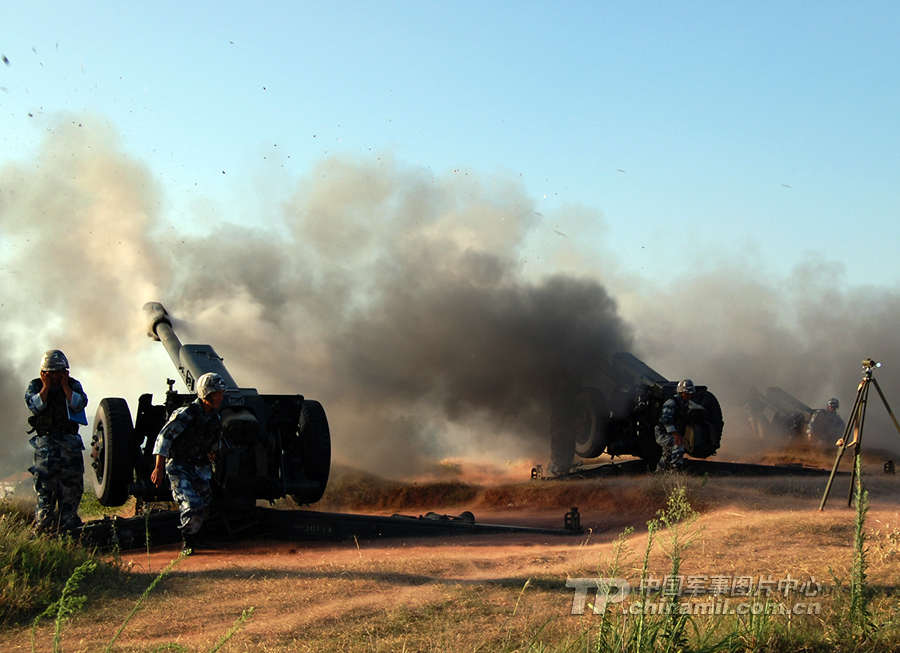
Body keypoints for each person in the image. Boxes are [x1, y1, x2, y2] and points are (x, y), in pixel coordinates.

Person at [150, 372, 227, 553]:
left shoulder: (214, 418)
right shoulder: (186, 414)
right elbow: (164, 438)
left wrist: (213, 454)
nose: (221, 397)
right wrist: (158, 468)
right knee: (191, 504)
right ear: (207, 393)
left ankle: (198, 539)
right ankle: (188, 542)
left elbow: (214, 442)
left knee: (205, 502)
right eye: (217, 393)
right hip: (180, 466)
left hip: (200, 467)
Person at [24, 349, 88, 534]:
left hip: (70, 445)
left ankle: (69, 531)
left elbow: (78, 404)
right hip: (46, 447)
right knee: (45, 492)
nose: (55, 376)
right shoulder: (35, 386)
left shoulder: (73, 385)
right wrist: (45, 386)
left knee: (71, 490)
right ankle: (45, 532)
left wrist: (65, 386)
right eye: (51, 373)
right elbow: (35, 405)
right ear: (43, 373)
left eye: (59, 372)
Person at [655, 379, 694, 471]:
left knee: (667, 454)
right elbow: (666, 420)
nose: (689, 395)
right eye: (687, 393)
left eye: (690, 393)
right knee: (678, 445)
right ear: (681, 392)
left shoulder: (686, 404)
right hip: (662, 433)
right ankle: (675, 471)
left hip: (672, 433)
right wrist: (675, 434)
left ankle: (659, 473)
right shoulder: (671, 403)